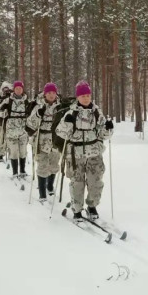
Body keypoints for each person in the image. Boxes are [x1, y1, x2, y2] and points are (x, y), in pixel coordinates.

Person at [55, 81, 114, 221]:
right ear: (78, 97)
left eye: (88, 95)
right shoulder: (71, 113)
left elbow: (105, 135)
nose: (86, 98)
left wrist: (108, 128)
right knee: (77, 183)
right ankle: (76, 210)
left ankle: (92, 206)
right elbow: (60, 133)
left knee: (96, 182)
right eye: (83, 96)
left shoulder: (97, 113)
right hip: (76, 154)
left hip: (94, 153)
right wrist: (66, 123)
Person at [26, 83, 62, 202]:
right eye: (49, 93)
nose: (51, 95)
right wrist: (37, 115)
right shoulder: (38, 106)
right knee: (42, 165)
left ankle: (50, 185)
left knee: (54, 164)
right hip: (41, 140)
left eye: (53, 93)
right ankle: (42, 193)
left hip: (55, 140)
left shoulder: (60, 106)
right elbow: (30, 124)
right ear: (45, 94)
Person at [0, 81, 29, 178]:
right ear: (14, 89)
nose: (19, 90)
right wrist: (3, 112)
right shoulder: (8, 100)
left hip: (23, 130)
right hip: (11, 130)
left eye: (20, 88)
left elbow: (32, 113)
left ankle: (22, 170)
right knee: (14, 151)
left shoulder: (26, 101)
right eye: (17, 88)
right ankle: (15, 172)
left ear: (23, 89)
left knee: (23, 151)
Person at [0, 82, 12, 162]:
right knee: (0, 137)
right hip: (0, 119)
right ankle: (0, 154)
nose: (6, 90)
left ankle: (12, 154)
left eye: (7, 88)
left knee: (10, 137)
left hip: (10, 120)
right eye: (4, 88)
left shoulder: (12, 96)